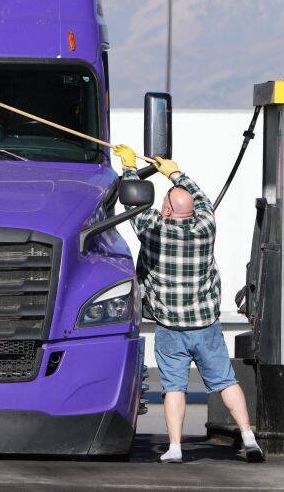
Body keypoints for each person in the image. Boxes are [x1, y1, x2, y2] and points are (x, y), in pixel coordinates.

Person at [113, 144, 264, 464]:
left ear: (166, 210)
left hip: (171, 329)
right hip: (206, 326)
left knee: (174, 388)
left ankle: (176, 447)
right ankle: (249, 438)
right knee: (226, 382)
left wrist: (127, 166)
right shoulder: (206, 225)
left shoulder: (154, 229)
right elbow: (202, 198)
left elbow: (131, 202)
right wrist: (174, 172)